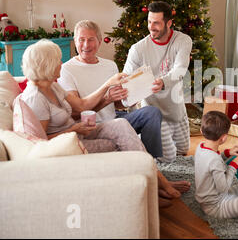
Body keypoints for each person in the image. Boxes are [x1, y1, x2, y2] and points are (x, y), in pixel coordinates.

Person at [21, 39, 187, 208]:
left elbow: (82, 105)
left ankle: (156, 181)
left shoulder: (52, 87)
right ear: (46, 64)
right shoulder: (35, 98)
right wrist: (72, 129)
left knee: (121, 123)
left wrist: (108, 85)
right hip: (67, 144)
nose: (60, 63)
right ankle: (149, 191)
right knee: (116, 144)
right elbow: (40, 143)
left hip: (78, 132)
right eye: (57, 60)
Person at [58, 20, 163, 159]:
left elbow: (117, 104)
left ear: (99, 42)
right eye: (81, 40)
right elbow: (76, 112)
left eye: (91, 40)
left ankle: (153, 162)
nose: (85, 45)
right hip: (90, 127)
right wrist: (107, 99)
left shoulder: (110, 66)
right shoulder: (66, 69)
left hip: (114, 119)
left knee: (152, 112)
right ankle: (144, 162)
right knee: (120, 122)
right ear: (75, 41)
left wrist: (131, 98)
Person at [123, 1, 192, 163]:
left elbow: (180, 70)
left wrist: (162, 81)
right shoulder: (138, 49)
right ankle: (146, 140)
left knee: (182, 151)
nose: (151, 26)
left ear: (169, 23)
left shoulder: (183, 40)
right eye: (149, 21)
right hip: (153, 114)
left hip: (176, 108)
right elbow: (126, 76)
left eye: (156, 23)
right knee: (166, 159)